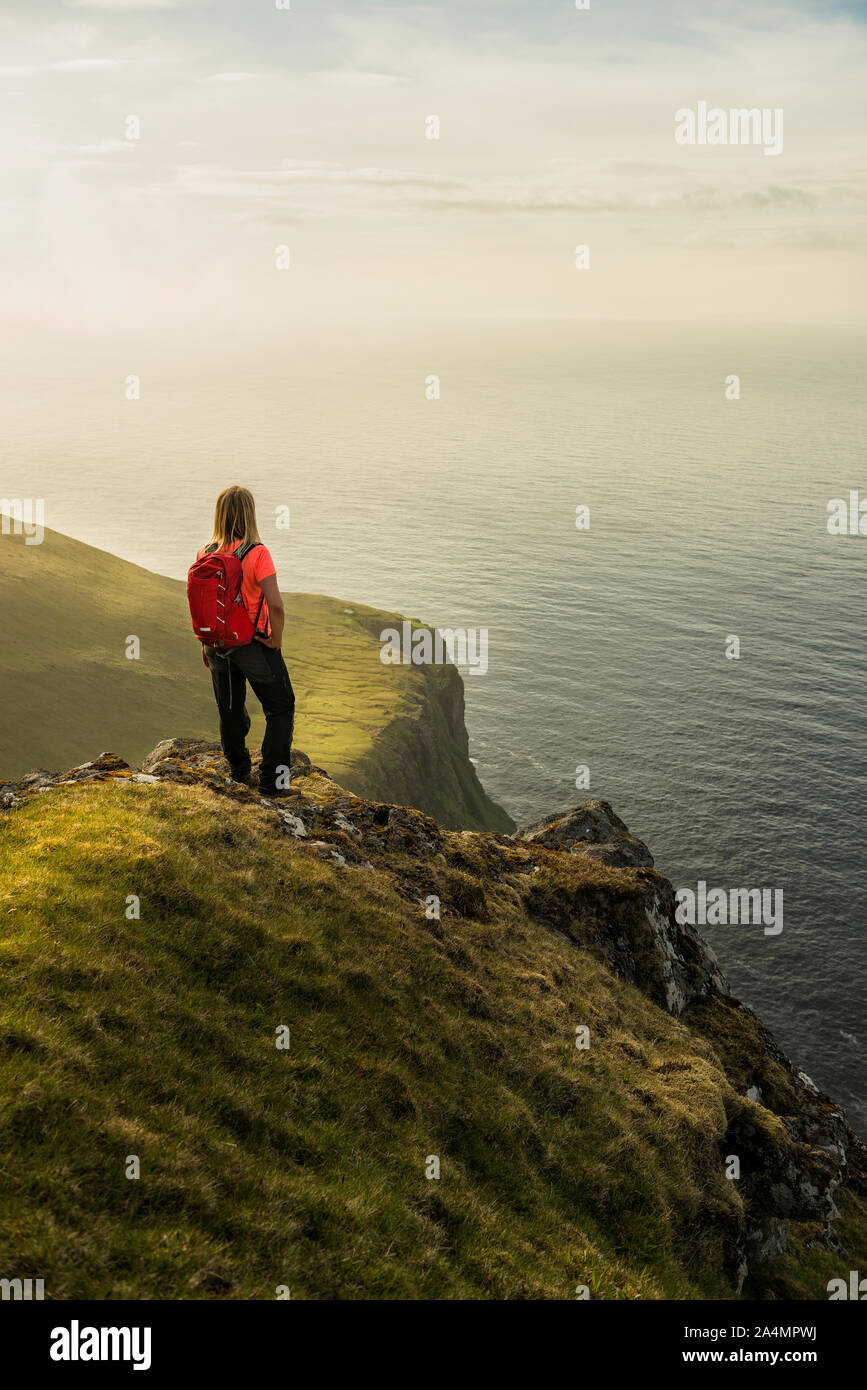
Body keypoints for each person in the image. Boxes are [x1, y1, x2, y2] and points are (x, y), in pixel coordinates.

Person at [197, 486, 295, 796]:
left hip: (216, 644)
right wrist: (275, 641)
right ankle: (273, 785)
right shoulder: (257, 553)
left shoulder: (205, 552)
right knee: (280, 708)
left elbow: (205, 603)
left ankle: (239, 773)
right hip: (252, 645)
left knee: (230, 709)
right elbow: (276, 605)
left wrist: (205, 644)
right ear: (249, 514)